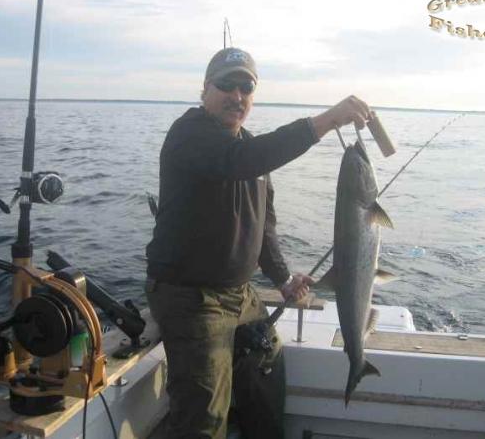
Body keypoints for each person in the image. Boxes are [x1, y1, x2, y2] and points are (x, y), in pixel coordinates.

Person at [145, 47, 372, 439]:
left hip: (240, 294)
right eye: (226, 85)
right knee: (204, 417)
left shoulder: (249, 151)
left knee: (267, 370)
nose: (237, 95)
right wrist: (325, 121)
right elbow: (240, 160)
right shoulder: (189, 134)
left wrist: (282, 279)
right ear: (205, 89)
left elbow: (264, 227)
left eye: (246, 87)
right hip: (192, 298)